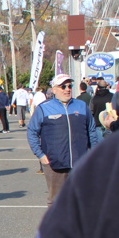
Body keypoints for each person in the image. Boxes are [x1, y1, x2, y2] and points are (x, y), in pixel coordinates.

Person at [27, 74, 100, 206]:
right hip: (55, 162)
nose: (67, 89)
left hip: (80, 162)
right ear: (54, 89)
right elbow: (32, 131)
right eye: (63, 86)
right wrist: (41, 155)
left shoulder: (81, 106)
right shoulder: (44, 108)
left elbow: (91, 130)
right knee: (56, 202)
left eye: (69, 86)